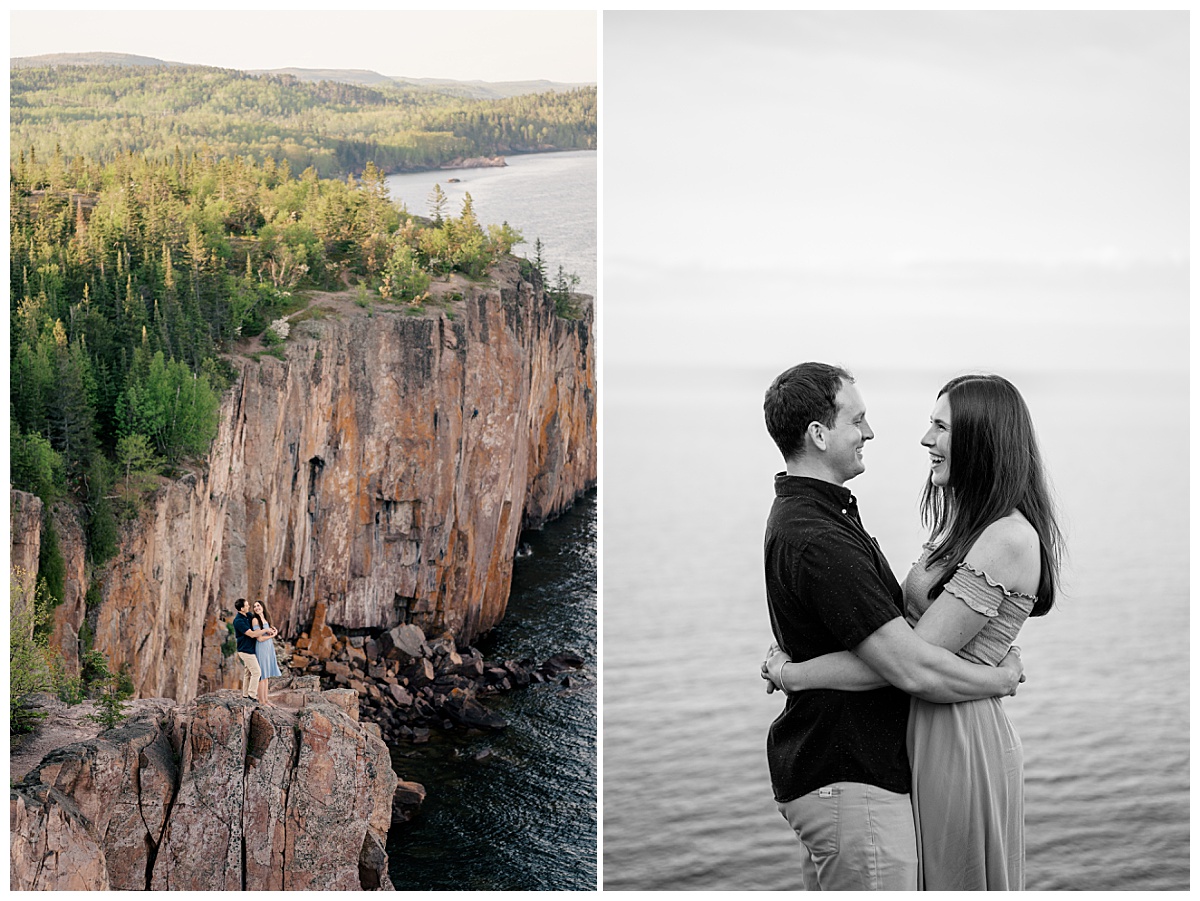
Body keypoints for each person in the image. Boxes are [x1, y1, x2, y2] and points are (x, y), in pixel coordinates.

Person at [763, 372, 1062, 890]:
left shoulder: (1008, 538)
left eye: (941, 427)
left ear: (982, 438)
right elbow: (902, 648)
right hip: (922, 728)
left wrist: (793, 673)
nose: (926, 439)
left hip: (959, 735)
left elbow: (910, 662)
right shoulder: (959, 528)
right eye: (931, 424)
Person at [232, 598, 266, 701]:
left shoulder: (249, 615)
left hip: (251, 649)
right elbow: (251, 634)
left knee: (248, 672)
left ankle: (245, 695)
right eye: (247, 605)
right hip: (245, 650)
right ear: (242, 608)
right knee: (257, 672)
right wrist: (266, 630)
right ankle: (252, 695)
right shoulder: (238, 621)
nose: (249, 607)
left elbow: (258, 620)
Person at [250, 600, 282, 706]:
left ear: (262, 607)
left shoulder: (266, 618)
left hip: (269, 647)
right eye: (254, 606)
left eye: (258, 605)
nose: (256, 608)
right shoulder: (255, 620)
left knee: (266, 675)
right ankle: (261, 701)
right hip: (262, 647)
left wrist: (274, 631)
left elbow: (269, 630)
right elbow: (259, 638)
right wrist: (272, 636)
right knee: (262, 675)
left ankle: (266, 700)